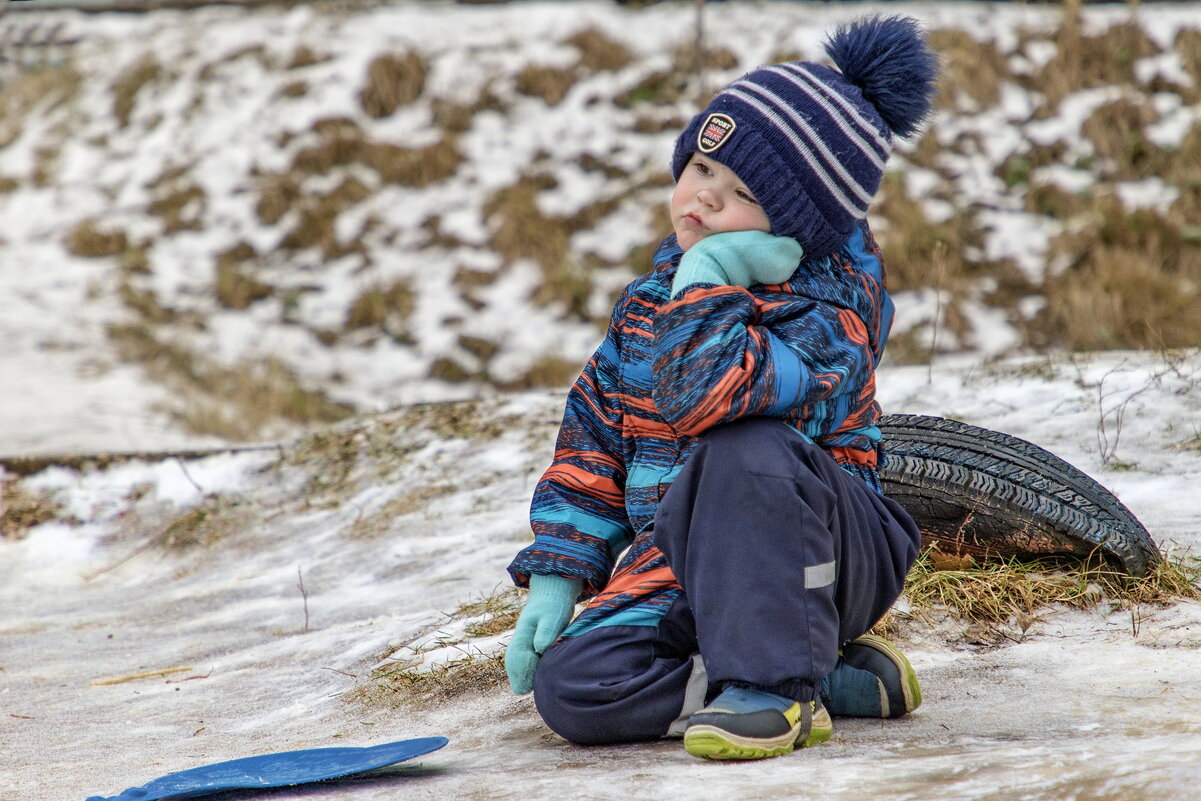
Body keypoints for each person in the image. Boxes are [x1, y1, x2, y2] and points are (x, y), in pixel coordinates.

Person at [504, 15, 938, 761]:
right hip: (684, 569)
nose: (700, 200)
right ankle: (816, 678)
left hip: (828, 555)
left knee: (745, 442)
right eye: (700, 170)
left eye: (736, 193)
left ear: (792, 230)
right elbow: (591, 446)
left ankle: (776, 691)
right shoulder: (649, 308)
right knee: (572, 690)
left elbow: (714, 396)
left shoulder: (830, 318)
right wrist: (557, 572)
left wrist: (708, 278)